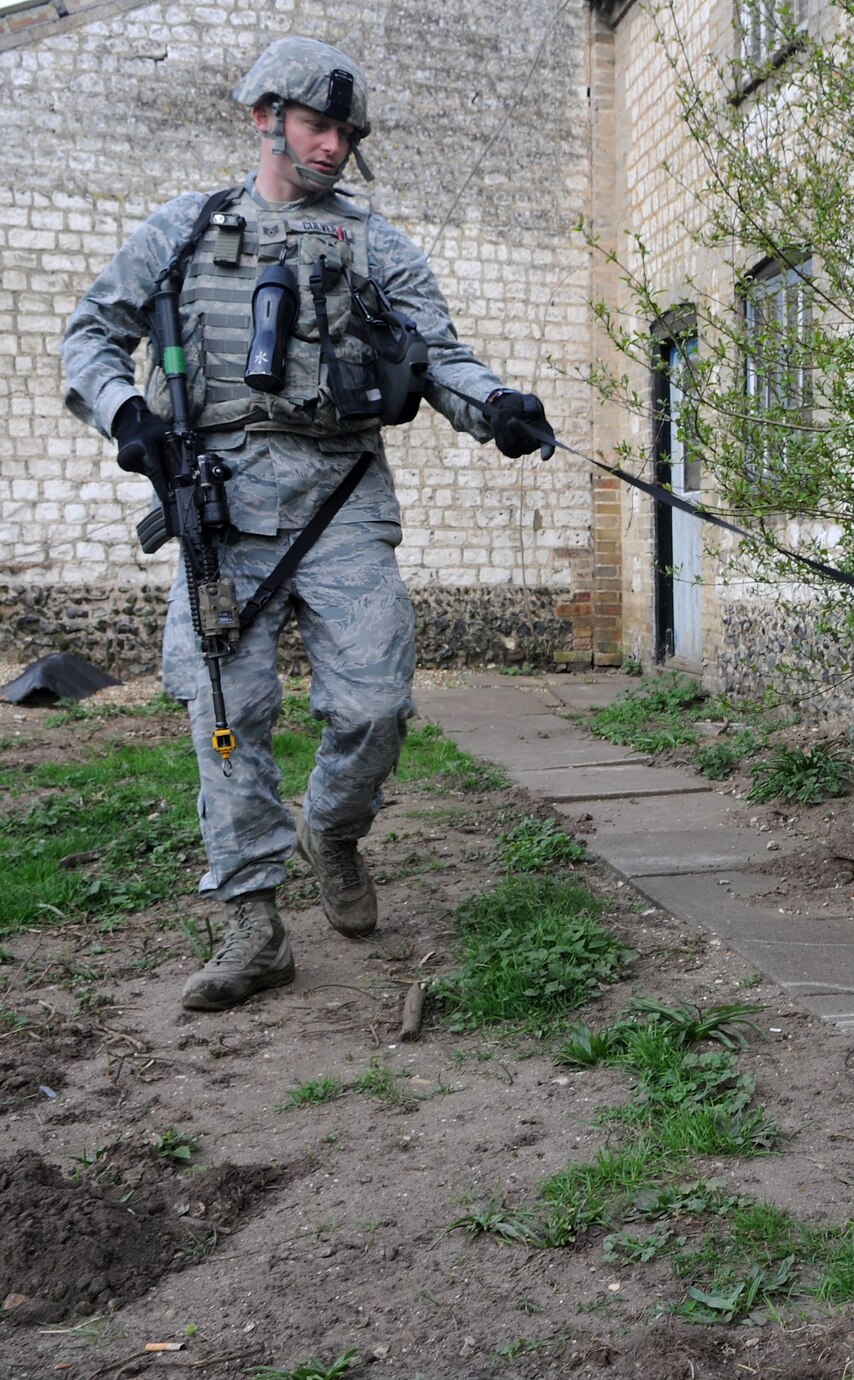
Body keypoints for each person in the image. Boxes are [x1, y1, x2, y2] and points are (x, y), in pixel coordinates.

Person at [61, 37, 552, 1011]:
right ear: (265, 119)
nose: (334, 146)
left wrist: (495, 405)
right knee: (226, 719)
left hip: (339, 496)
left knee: (374, 702)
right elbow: (90, 335)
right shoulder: (182, 232)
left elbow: (438, 355)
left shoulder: (374, 246)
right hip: (220, 500)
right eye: (318, 125)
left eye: (347, 133)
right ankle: (254, 925)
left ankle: (332, 830)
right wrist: (128, 418)